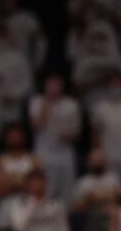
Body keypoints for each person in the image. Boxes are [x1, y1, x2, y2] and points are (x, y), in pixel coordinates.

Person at [29, 73, 82, 205]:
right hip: (44, 157)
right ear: (45, 84)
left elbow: (77, 133)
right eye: (50, 83)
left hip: (65, 157)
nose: (54, 86)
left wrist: (68, 136)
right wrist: (47, 102)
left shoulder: (71, 104)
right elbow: (37, 126)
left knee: (66, 197)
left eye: (56, 83)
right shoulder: (36, 101)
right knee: (45, 195)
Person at [0, 125, 39, 231]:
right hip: (4, 218)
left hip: (28, 215)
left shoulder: (32, 160)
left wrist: (10, 182)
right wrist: (22, 182)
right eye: (12, 135)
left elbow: (38, 186)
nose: (14, 138)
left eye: (17, 134)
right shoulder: (0, 161)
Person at [73, 149, 121, 231]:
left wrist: (116, 195)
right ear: (89, 163)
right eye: (94, 161)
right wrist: (89, 200)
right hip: (91, 223)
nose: (97, 163)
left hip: (112, 224)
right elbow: (76, 208)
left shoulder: (114, 179)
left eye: (100, 160)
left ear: (105, 162)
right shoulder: (83, 183)